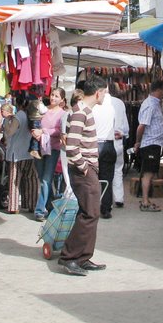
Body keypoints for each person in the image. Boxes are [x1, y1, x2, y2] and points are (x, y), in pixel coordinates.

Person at [58, 74, 107, 276]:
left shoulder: (83, 111)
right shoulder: (80, 113)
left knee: (90, 213)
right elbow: (72, 146)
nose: (104, 96)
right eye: (104, 92)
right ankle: (70, 257)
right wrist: (85, 167)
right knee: (90, 213)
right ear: (97, 93)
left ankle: (83, 257)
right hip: (83, 171)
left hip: (86, 170)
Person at [33, 87, 67, 221]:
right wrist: (35, 132)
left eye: (57, 96)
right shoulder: (43, 110)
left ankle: (40, 210)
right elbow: (34, 123)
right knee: (42, 179)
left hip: (53, 149)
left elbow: (60, 131)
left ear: (62, 100)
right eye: (52, 95)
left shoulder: (62, 114)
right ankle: (51, 204)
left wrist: (44, 131)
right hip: (39, 147)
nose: (53, 98)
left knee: (46, 179)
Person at [135, 79, 163, 212]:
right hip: (150, 143)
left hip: (154, 143)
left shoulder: (155, 103)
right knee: (148, 173)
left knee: (150, 172)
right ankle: (145, 201)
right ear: (160, 89)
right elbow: (141, 126)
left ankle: (146, 200)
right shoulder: (150, 105)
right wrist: (138, 142)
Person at [1, 95, 38, 214]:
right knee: (31, 180)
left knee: (14, 181)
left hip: (16, 153)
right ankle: (32, 204)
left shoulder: (19, 116)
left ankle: (13, 206)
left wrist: (6, 121)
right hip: (29, 152)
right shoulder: (31, 116)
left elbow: (10, 132)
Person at [91, 81, 116, 219]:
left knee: (92, 178)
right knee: (107, 179)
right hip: (108, 144)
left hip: (95, 143)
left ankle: (92, 206)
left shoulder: (93, 108)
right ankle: (106, 208)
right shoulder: (111, 108)